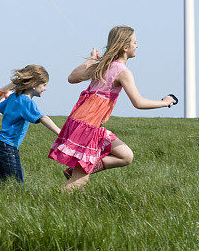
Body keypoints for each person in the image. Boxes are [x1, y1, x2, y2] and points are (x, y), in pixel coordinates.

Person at [48, 25, 175, 191]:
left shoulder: (102, 66)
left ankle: (78, 170)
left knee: (126, 156)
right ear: (125, 47)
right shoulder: (122, 72)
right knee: (80, 182)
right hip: (89, 124)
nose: (137, 45)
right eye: (135, 42)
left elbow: (72, 78)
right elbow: (138, 102)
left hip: (83, 121)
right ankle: (50, 200)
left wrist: (92, 60)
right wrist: (165, 103)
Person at [0, 64, 60, 184]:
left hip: (0, 145)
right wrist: (60, 133)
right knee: (16, 184)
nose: (45, 89)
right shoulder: (26, 102)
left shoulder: (13, 97)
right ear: (33, 85)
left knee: (9, 179)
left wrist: (1, 99)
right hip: (8, 147)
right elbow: (43, 118)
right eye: (44, 85)